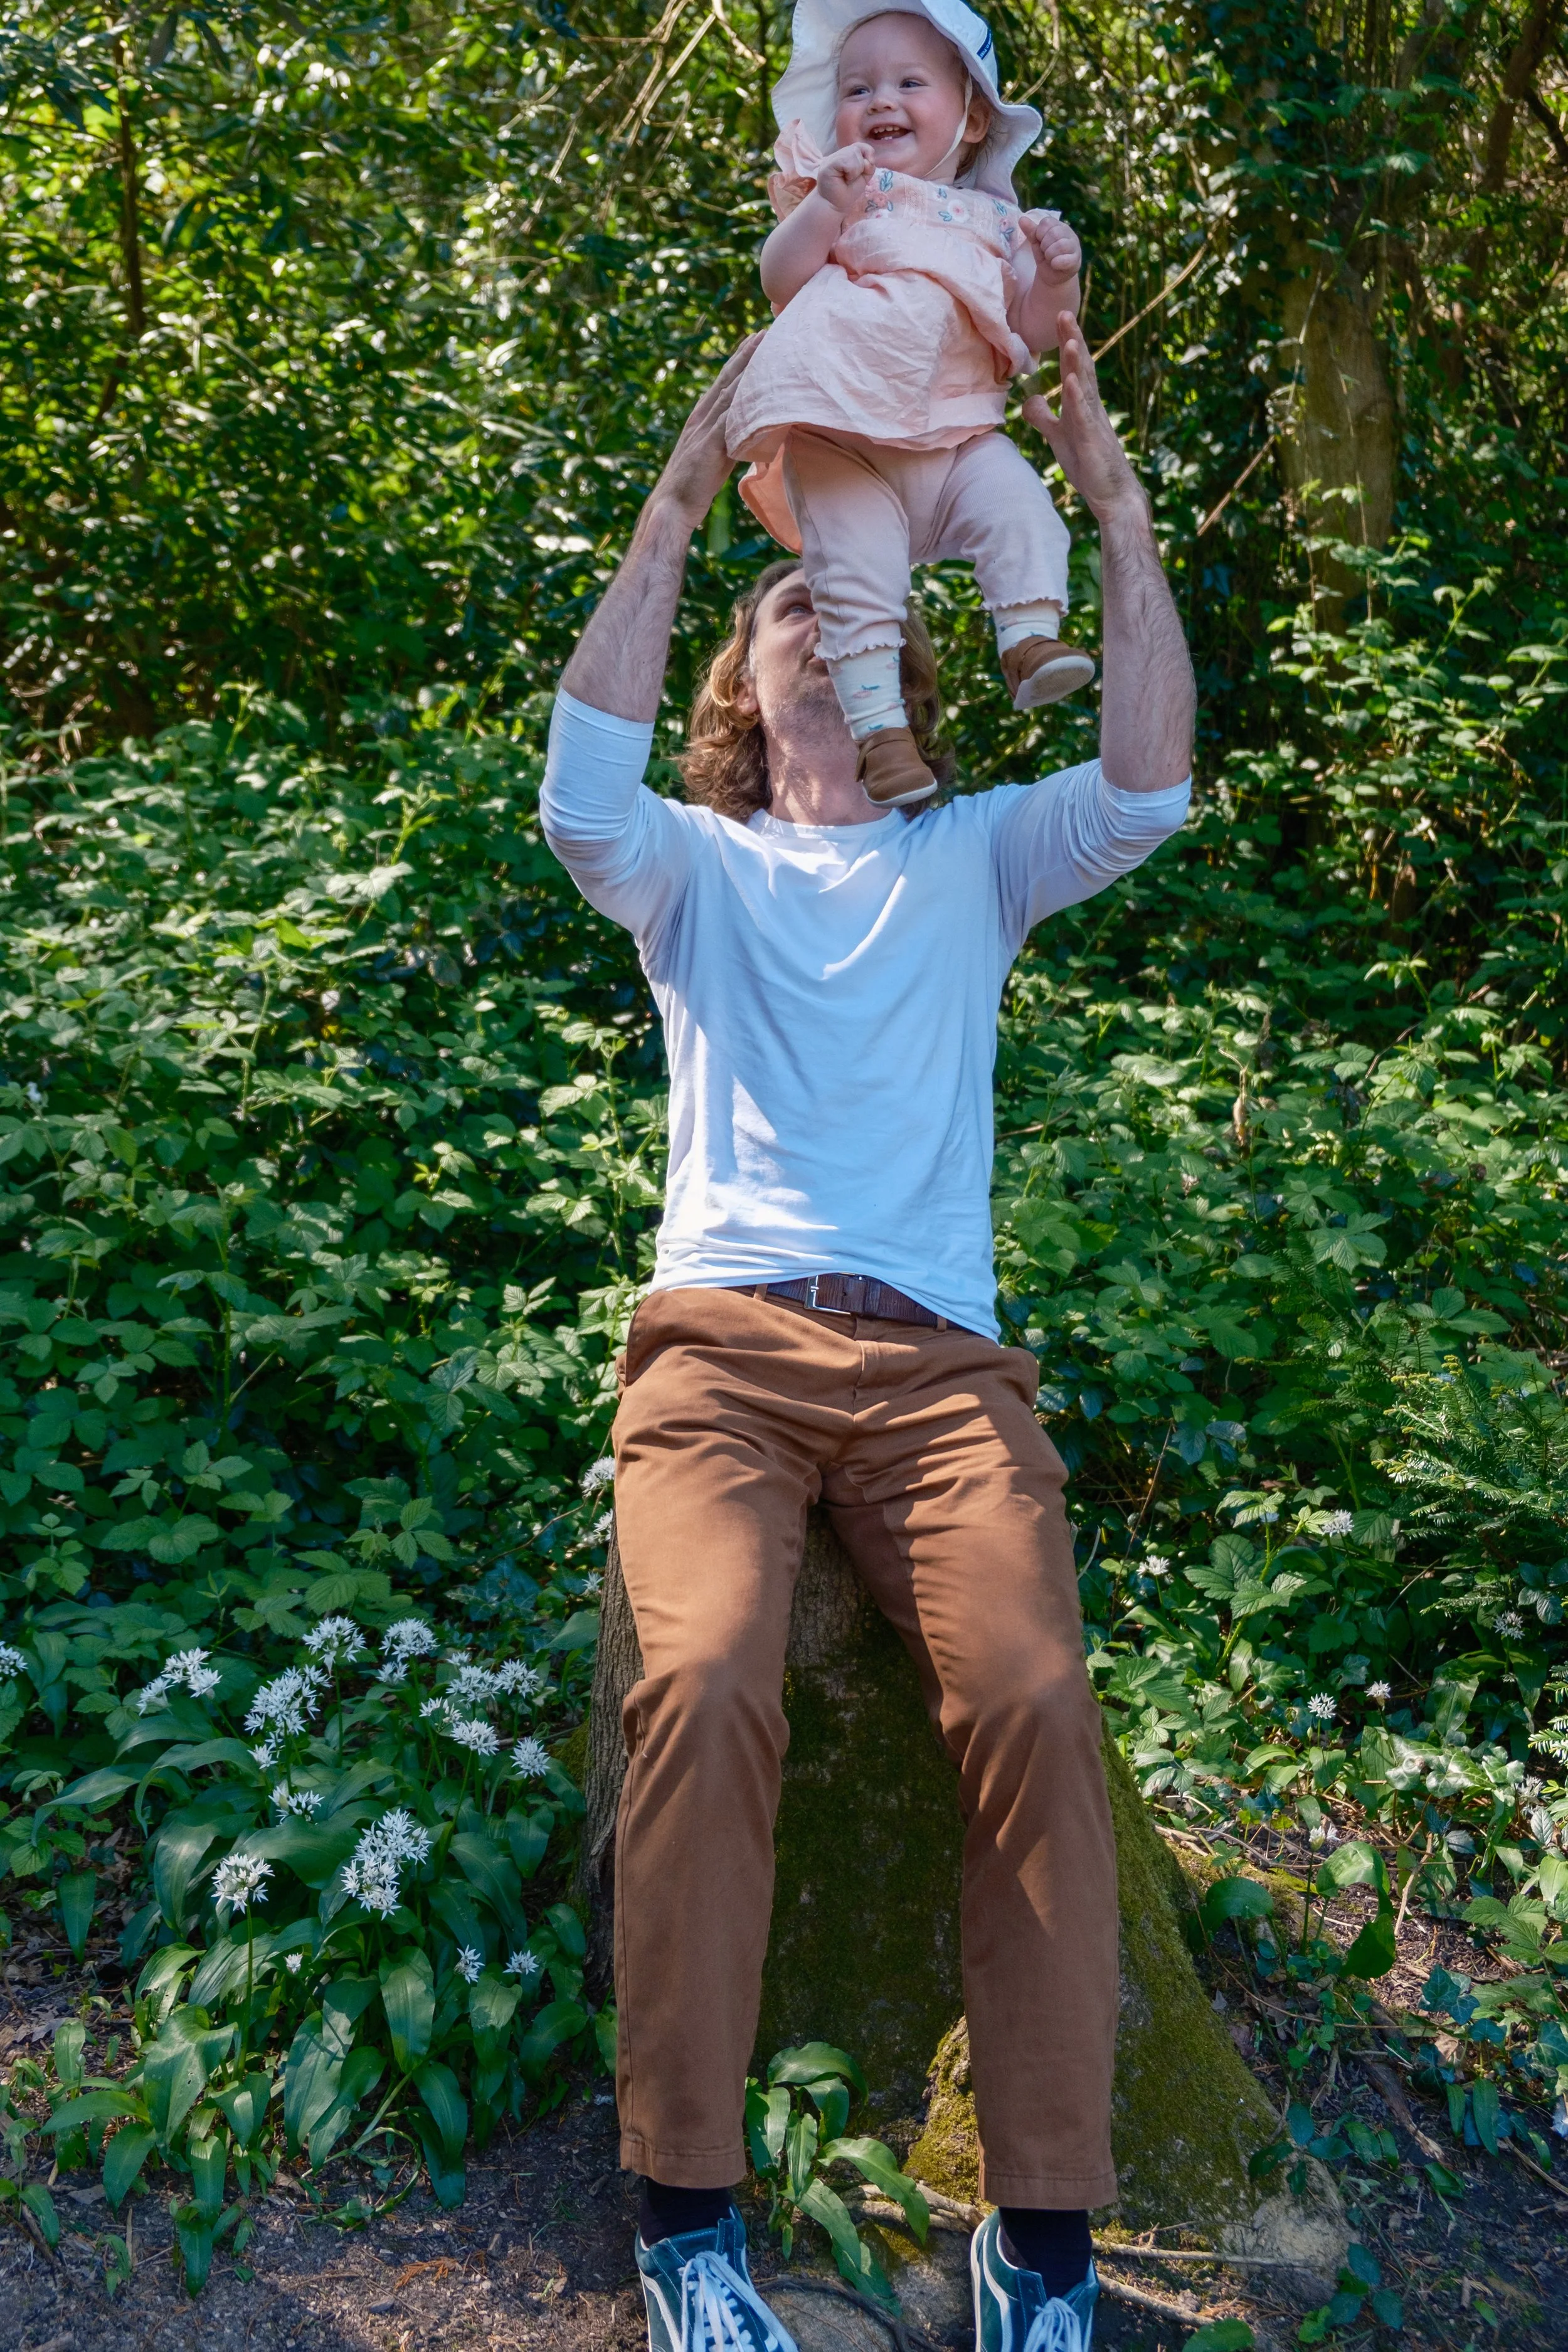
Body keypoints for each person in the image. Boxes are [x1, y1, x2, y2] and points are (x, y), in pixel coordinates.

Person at [541, 314, 1195, 2352]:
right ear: (748, 672)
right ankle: (690, 2228)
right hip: (720, 1359)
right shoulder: (696, 870)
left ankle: (1046, 2243)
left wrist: (1100, 481)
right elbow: (580, 779)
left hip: (939, 1381)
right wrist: (678, 487)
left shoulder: (968, 858)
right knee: (713, 1679)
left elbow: (1157, 780)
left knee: (1028, 1702)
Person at [724, 0, 1095, 810]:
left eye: (909, 82)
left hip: (958, 434)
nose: (880, 100)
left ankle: (1028, 638)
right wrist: (825, 205)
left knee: (1024, 509)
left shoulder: (998, 223)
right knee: (854, 582)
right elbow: (781, 280)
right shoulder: (846, 195)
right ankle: (881, 734)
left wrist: (1058, 273)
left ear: (970, 120)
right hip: (843, 433)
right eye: (857, 89)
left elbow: (1032, 331)